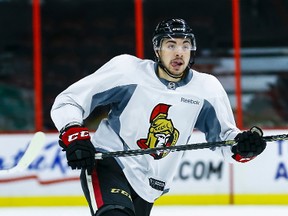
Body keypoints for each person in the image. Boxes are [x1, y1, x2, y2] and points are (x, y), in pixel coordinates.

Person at [50, 18, 267, 216]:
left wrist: (243, 147)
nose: (179, 52)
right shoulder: (128, 71)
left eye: (185, 45)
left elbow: (226, 140)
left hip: (149, 187)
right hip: (109, 163)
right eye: (171, 45)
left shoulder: (206, 89)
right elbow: (69, 100)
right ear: (157, 49)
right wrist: (74, 134)